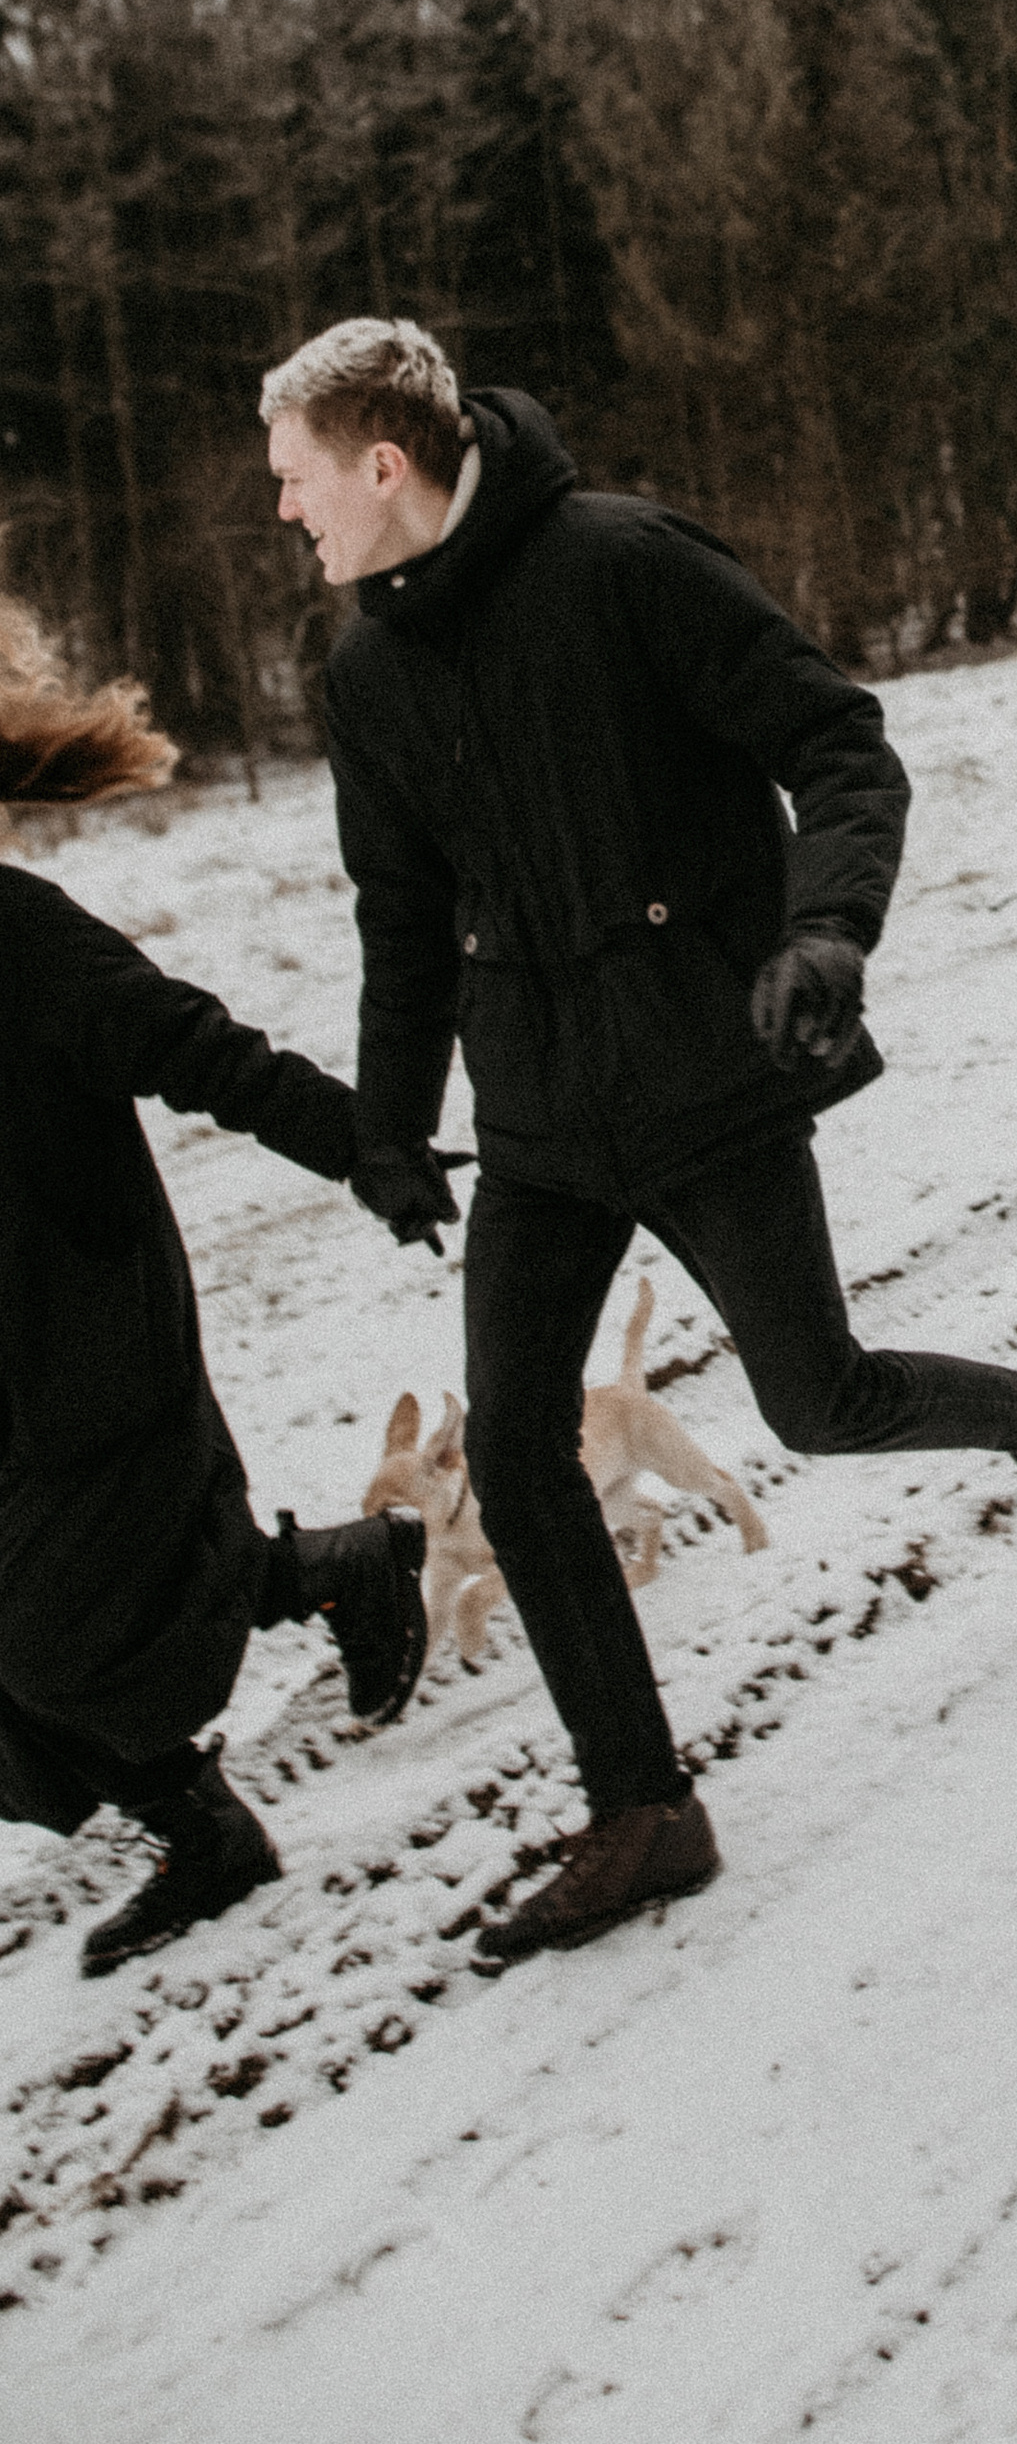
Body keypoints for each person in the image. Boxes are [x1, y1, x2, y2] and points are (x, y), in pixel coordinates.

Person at [262, 317, 1017, 1965]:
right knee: (515, 1459)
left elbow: (837, 743)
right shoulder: (366, 679)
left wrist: (827, 934)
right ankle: (643, 1806)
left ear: (383, 463)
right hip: (537, 1127)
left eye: (298, 483)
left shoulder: (623, 565)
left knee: (818, 1399)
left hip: (705, 1080)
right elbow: (403, 917)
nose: (289, 516)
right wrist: (386, 1130)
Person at [0, 597, 434, 1974]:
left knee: (65, 1634)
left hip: (81, 1330)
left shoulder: (20, 936)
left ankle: (321, 1576)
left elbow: (201, 1049)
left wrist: (367, 1148)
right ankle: (206, 1832)